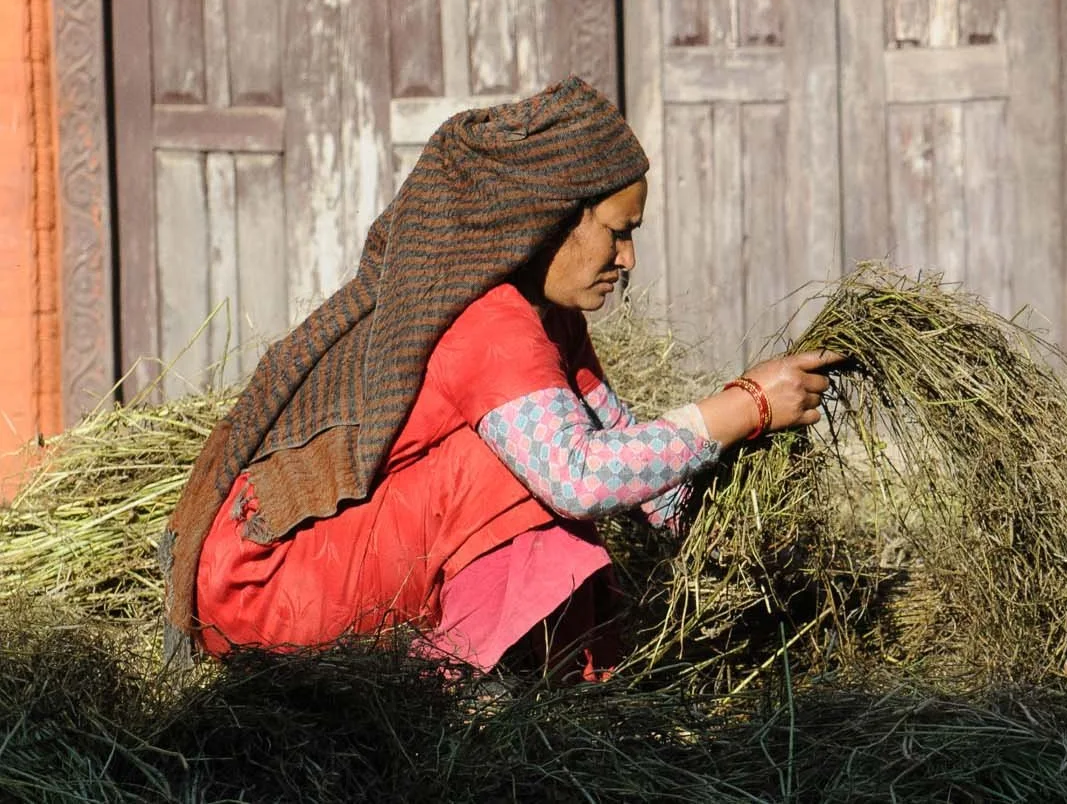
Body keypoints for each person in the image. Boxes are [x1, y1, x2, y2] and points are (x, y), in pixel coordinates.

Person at [162, 77, 840, 675]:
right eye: (617, 231)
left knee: (552, 452)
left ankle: (518, 673)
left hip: (300, 570)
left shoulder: (548, 317)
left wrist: (730, 511)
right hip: (262, 590)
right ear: (549, 222)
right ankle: (453, 689)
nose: (628, 258)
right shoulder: (492, 320)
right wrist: (744, 405)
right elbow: (579, 477)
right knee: (526, 468)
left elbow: (627, 455)